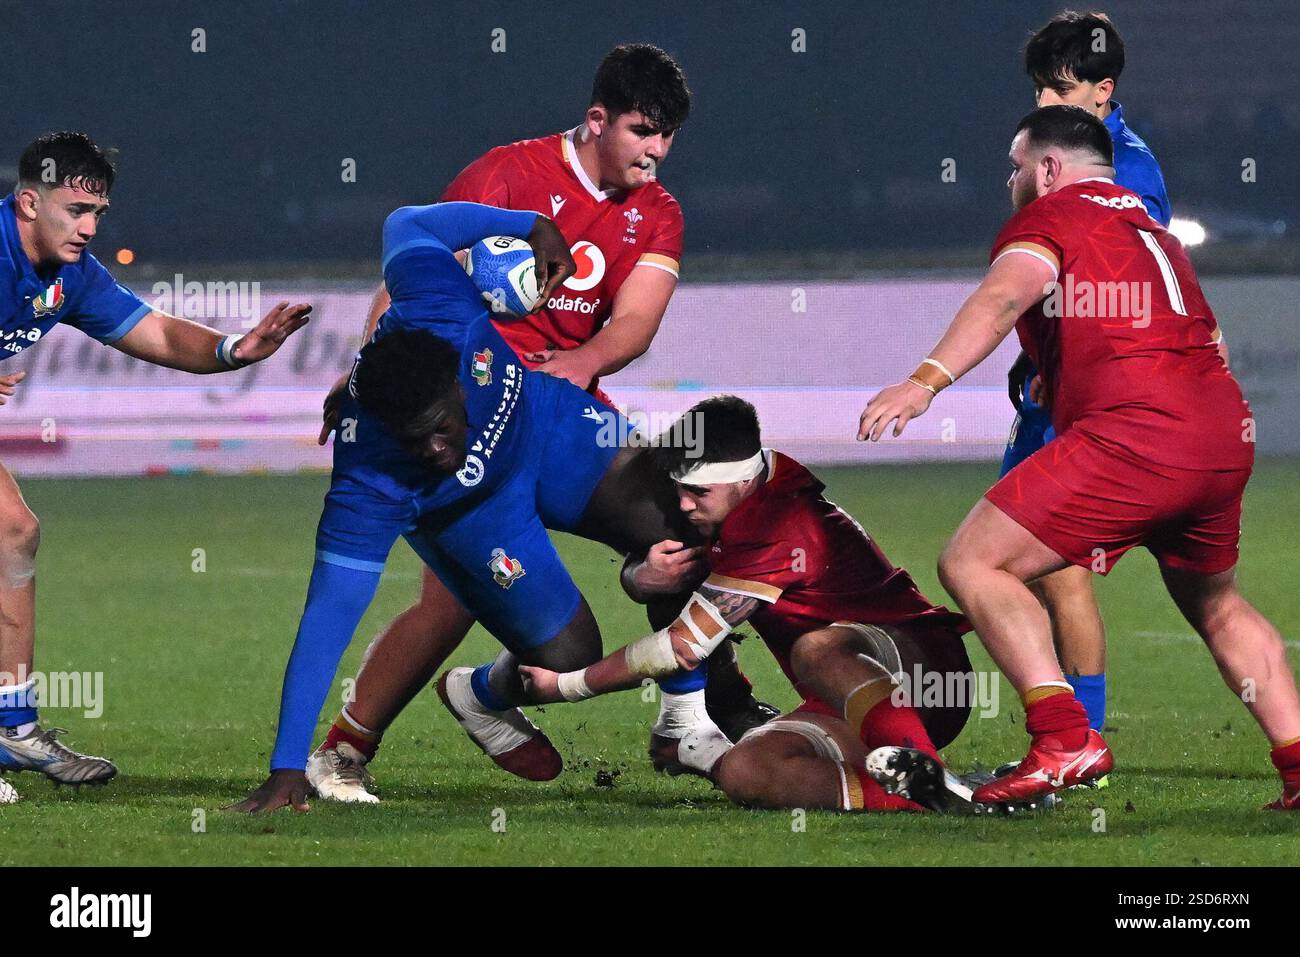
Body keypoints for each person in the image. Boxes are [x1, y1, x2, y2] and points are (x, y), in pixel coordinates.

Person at [308, 44, 772, 802]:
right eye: (642, 131)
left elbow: (636, 324)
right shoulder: (507, 175)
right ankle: (351, 747)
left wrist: (581, 363)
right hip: (467, 419)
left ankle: (696, 713)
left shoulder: (657, 212)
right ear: (597, 120)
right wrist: (372, 372)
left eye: (667, 138)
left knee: (679, 513)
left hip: (558, 411)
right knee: (457, 600)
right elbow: (416, 277)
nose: (656, 153)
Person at [857, 105, 1300, 810]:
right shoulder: (1151, 226)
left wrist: (924, 381)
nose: (1011, 181)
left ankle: (1065, 736)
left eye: (1015, 166)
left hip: (1140, 434)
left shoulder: (1052, 214)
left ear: (1050, 170)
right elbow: (1201, 335)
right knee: (1217, 605)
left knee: (975, 560)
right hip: (1219, 433)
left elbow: (1004, 296)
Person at [229, 200, 729, 813]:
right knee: (571, 657)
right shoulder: (367, 484)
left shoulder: (443, 304)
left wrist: (530, 225)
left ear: (457, 380)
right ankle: (482, 695)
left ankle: (685, 717)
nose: (437, 450)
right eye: (418, 443)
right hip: (476, 519)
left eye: (442, 427)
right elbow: (324, 622)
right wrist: (284, 767)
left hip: (546, 429)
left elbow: (404, 222)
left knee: (688, 518)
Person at [516, 395, 1018, 814]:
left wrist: (566, 685)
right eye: (680, 492)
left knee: (815, 649)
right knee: (747, 770)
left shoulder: (777, 524)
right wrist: (640, 577)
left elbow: (680, 648)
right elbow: (658, 571)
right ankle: (947, 797)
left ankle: (919, 760)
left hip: (922, 677)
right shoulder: (741, 492)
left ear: (739, 480)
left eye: (696, 493)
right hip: (848, 698)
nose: (685, 506)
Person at [0, 132, 310, 796]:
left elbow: (159, 331)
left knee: (12, 531)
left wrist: (235, 349)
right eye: (74, 211)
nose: (88, 228)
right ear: (29, 202)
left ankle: (12, 726)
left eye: (97, 215)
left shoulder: (69, 275)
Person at [1002, 10, 1172, 738]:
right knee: (1022, 570)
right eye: (1040, 87)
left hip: (1088, 403)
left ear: (1104, 90)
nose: (1045, 102)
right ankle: (1065, 732)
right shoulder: (1061, 150)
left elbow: (1128, 289)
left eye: (1061, 88)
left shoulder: (1125, 170)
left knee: (1056, 569)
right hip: (1046, 393)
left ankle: (1080, 742)